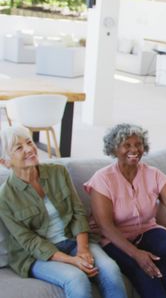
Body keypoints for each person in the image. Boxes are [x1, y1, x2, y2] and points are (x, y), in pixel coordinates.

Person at [0, 125, 126, 298]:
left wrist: (82, 250)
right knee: (77, 279)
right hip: (38, 256)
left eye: (29, 142)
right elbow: (30, 242)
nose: (29, 149)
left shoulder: (58, 172)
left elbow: (77, 211)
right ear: (5, 162)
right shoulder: (5, 198)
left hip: (73, 240)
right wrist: (72, 261)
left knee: (111, 270)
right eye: (19, 148)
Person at [85, 123, 166, 298]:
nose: (134, 149)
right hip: (113, 239)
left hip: (145, 230)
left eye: (138, 144)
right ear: (114, 150)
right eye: (127, 145)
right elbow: (105, 226)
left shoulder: (153, 174)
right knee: (143, 271)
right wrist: (136, 254)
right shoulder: (102, 179)